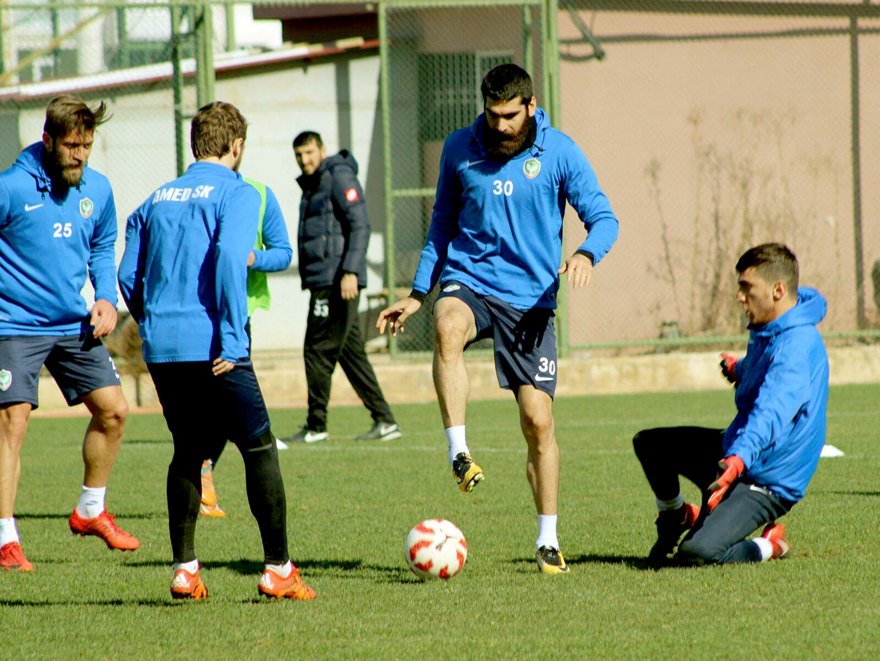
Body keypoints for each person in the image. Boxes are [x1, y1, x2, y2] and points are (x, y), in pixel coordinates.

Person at [376, 63, 619, 574]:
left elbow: (603, 217)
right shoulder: (459, 148)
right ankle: (458, 453)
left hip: (531, 303)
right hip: (471, 281)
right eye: (493, 115)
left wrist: (586, 254)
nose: (501, 125)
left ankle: (548, 538)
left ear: (530, 106)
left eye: (510, 115)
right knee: (447, 327)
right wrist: (421, 293)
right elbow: (442, 222)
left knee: (538, 421)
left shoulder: (560, 152)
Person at [118, 101, 314, 601]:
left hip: (163, 349)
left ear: (194, 145)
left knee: (188, 451)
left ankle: (185, 569)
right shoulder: (238, 191)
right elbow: (230, 259)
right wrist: (230, 336)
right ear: (237, 146)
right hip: (215, 345)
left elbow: (126, 276)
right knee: (259, 446)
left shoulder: (155, 199)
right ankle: (278, 570)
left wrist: (154, 323)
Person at [0, 96, 139, 572]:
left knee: (114, 411)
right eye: (71, 145)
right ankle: (4, 539)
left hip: (71, 322)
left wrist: (105, 296)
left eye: (87, 144)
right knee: (13, 421)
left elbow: (102, 246)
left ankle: (90, 510)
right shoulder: (11, 188)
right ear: (48, 141)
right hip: (13, 326)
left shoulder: (97, 190)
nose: (80, 154)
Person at [632, 243, 828, 565]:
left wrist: (736, 461)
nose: (739, 296)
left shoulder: (796, 347)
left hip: (767, 479)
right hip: (740, 454)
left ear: (778, 290)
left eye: (746, 287)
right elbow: (765, 372)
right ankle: (678, 516)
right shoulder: (774, 326)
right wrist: (740, 369)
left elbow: (771, 412)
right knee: (650, 444)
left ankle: (768, 546)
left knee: (698, 552)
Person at [281, 131, 400, 444]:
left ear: (322, 149)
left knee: (316, 351)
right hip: (325, 279)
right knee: (350, 354)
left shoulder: (338, 176)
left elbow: (360, 224)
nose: (304, 160)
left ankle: (316, 425)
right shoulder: (314, 183)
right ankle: (385, 420)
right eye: (299, 155)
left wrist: (350, 270)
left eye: (309, 152)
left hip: (336, 282)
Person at [199, 176, 293, 518]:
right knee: (215, 402)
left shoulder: (260, 194)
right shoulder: (194, 191)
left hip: (239, 318)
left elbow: (283, 252)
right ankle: (201, 474)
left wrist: (254, 258)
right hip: (198, 313)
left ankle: (203, 473)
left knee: (224, 401)